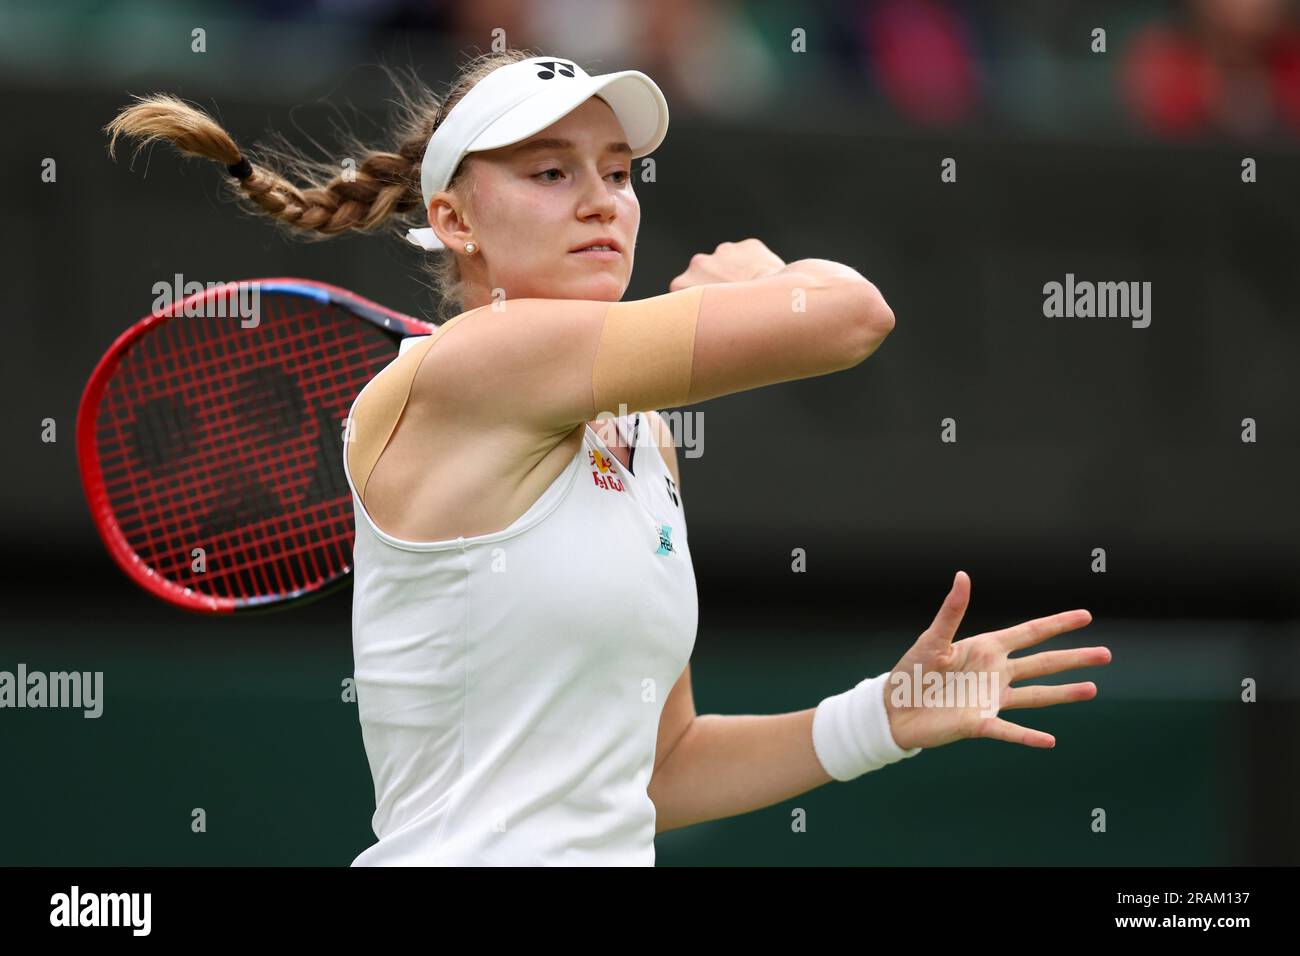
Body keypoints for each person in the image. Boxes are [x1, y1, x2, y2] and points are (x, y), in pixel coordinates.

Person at [102, 48, 1111, 866]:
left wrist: (883, 717)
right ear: (452, 219)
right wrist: (770, 276)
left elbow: (657, 768)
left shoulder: (639, 431)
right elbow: (852, 315)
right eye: (551, 172)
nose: (601, 200)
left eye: (618, 173)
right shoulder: (477, 362)